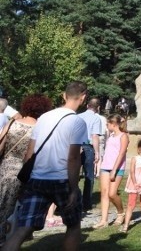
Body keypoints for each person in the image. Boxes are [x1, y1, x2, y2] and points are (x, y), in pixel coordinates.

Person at [4, 81, 89, 251]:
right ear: (84, 97)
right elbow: (73, 158)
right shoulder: (77, 122)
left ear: (64, 96)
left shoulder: (44, 118)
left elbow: (30, 153)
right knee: (73, 226)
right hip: (61, 180)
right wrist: (73, 189)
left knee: (22, 229)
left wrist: (25, 181)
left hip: (37, 179)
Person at [0, 93, 53, 245]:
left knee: (2, 205)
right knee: (14, 209)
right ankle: (9, 239)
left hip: (4, 167)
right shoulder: (40, 128)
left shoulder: (11, 122)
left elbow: (1, 145)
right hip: (24, 172)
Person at [93, 114, 129, 229]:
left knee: (112, 193)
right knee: (104, 193)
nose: (106, 126)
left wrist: (114, 170)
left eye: (108, 124)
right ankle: (104, 220)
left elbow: (121, 153)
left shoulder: (123, 136)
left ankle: (120, 212)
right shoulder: (111, 136)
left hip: (117, 168)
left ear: (114, 124)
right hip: (105, 166)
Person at [121, 138, 141, 232]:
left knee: (131, 205)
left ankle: (125, 226)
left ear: (139, 148)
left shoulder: (134, 159)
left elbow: (132, 172)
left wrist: (135, 183)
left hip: (135, 182)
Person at [78, 97, 104, 212]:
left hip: (76, 146)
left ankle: (69, 200)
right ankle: (86, 203)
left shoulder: (78, 116)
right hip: (88, 146)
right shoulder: (96, 119)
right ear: (98, 108)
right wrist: (97, 152)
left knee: (73, 175)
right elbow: (95, 136)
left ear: (87, 105)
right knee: (89, 175)